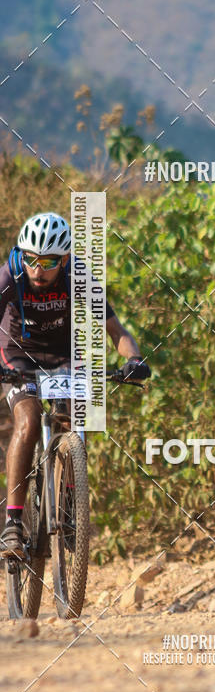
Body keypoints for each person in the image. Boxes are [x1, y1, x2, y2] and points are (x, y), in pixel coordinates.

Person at [0, 212, 151, 559]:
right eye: (32, 259)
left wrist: (134, 360)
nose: (38, 269)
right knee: (27, 422)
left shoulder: (78, 277)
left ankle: (69, 499)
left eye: (49, 261)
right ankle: (13, 523)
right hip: (17, 353)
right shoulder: (10, 274)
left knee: (72, 420)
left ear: (64, 260)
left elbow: (118, 332)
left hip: (65, 354)